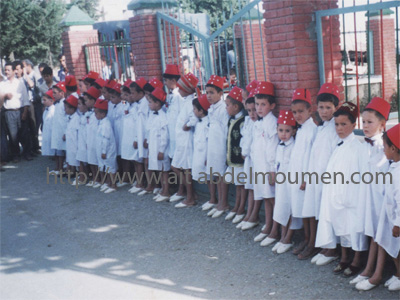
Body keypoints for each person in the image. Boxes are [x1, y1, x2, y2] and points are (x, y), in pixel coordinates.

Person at [316, 102, 368, 276]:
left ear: (354, 125)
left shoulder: (359, 147)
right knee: (341, 227)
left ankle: (356, 259)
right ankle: (344, 257)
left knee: (353, 227)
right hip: (337, 194)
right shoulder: (338, 145)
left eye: (344, 124)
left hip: (351, 196)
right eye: (337, 124)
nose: (339, 128)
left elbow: (360, 174)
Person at [349, 97, 390, 284]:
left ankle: (377, 273)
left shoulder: (384, 147)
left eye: (369, 122)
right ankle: (368, 268)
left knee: (380, 235)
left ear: (382, 124)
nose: (364, 126)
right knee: (372, 233)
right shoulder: (365, 144)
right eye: (363, 122)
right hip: (369, 196)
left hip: (381, 198)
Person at [356, 124, 400, 291]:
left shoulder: (398, 173)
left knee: (396, 247)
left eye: (385, 147)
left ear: (394, 149)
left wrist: (398, 223)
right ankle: (398, 274)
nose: (383, 150)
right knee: (389, 245)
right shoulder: (394, 166)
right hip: (389, 215)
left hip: (396, 219)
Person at [302, 83, 340, 266]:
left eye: (328, 108)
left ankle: (331, 249)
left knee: (327, 213)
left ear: (335, 108)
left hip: (326, 177)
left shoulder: (335, 128)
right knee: (318, 210)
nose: (324, 111)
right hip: (315, 175)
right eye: (321, 107)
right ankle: (322, 245)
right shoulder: (321, 127)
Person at [241, 81, 278, 232]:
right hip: (259, 166)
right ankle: (268, 226)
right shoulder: (258, 122)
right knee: (265, 197)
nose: (259, 108)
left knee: (272, 198)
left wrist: (271, 170)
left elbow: (272, 149)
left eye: (263, 104)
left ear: (272, 106)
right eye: (257, 104)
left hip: (268, 168)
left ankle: (276, 230)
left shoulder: (272, 123)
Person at [287, 88, 317, 259]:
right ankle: (306, 238)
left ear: (309, 110)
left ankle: (312, 242)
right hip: (297, 177)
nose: (297, 115)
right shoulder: (301, 129)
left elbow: (311, 157)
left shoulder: (312, 129)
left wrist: (306, 178)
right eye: (294, 112)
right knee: (301, 210)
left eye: (300, 111)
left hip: (306, 178)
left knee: (309, 211)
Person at [266, 110, 297, 254]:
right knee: (281, 208)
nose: (283, 134)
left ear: (293, 131)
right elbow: (276, 163)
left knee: (289, 209)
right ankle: (283, 236)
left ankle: (288, 238)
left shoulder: (293, 146)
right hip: (280, 182)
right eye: (280, 130)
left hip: (290, 182)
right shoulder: (279, 145)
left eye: (287, 131)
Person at [170, 73, 199, 207]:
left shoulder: (190, 103)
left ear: (186, 90)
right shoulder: (186, 101)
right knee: (180, 168)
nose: (179, 91)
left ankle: (190, 197)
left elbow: (194, 118)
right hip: (181, 140)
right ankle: (190, 194)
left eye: (181, 89)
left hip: (186, 141)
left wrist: (187, 125)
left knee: (182, 168)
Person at [204, 75, 230, 217]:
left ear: (221, 94)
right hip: (212, 146)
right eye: (207, 93)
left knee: (221, 175)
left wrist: (226, 149)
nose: (209, 96)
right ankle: (219, 201)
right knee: (215, 174)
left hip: (220, 146)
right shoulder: (211, 109)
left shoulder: (223, 109)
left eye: (212, 93)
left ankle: (223, 203)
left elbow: (225, 130)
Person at [222, 87, 246, 220]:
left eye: (227, 105)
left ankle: (241, 208)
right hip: (232, 159)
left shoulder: (242, 122)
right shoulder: (231, 119)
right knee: (237, 184)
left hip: (239, 160)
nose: (226, 108)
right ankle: (236, 206)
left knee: (241, 185)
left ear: (236, 107)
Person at [235, 86, 258, 226]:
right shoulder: (248, 120)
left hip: (256, 159)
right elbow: (244, 138)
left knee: (256, 188)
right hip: (248, 158)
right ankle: (249, 214)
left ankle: (254, 215)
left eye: (245, 98)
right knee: (249, 186)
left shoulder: (259, 122)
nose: (243, 102)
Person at [144, 87, 170, 202]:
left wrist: (162, 150)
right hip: (153, 146)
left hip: (160, 147)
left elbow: (164, 135)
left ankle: (166, 191)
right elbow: (150, 132)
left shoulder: (162, 117)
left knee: (164, 170)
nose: (149, 104)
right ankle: (162, 189)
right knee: (158, 169)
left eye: (150, 102)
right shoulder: (152, 115)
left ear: (158, 103)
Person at [0, 62, 29, 162]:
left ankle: (27, 153)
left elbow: (25, 99)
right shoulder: (2, 84)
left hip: (20, 110)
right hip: (9, 112)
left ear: (13, 71)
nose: (6, 72)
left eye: (8, 70)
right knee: (13, 135)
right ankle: (15, 154)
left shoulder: (19, 83)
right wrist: (4, 96)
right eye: (5, 70)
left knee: (24, 133)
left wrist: (25, 112)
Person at [127, 78, 148, 193]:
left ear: (141, 93)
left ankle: (145, 184)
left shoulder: (145, 104)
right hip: (137, 135)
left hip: (143, 136)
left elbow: (145, 123)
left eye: (133, 93)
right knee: (138, 160)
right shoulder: (137, 104)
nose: (131, 95)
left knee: (143, 161)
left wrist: (141, 138)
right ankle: (141, 182)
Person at [94, 98, 118, 194]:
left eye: (96, 113)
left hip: (108, 150)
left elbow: (106, 139)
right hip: (103, 150)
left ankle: (113, 185)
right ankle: (108, 183)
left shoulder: (106, 125)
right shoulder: (102, 123)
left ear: (103, 114)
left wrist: (104, 151)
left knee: (110, 167)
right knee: (106, 167)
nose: (95, 115)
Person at [83, 86, 102, 187]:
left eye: (86, 100)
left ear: (93, 100)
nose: (85, 103)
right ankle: (95, 177)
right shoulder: (88, 113)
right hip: (89, 139)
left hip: (96, 139)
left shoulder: (97, 113)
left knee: (97, 159)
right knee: (91, 159)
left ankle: (99, 178)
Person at [163, 64, 181, 162]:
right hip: (170, 132)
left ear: (173, 81)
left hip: (177, 133)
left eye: (166, 80)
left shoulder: (179, 96)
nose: (165, 83)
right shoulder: (170, 95)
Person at [51, 82, 67, 173]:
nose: (53, 95)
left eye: (55, 93)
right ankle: (57, 167)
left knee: (61, 150)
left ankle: (61, 168)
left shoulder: (64, 104)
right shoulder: (57, 104)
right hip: (57, 130)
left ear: (62, 93)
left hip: (62, 131)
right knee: (57, 149)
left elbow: (65, 119)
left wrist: (65, 132)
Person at [64, 93, 80, 174]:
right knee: (69, 154)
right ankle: (69, 168)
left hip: (74, 141)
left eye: (66, 108)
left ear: (72, 109)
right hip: (69, 140)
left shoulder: (76, 118)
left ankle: (74, 170)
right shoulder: (69, 117)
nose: (65, 110)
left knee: (74, 155)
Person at [75, 95, 89, 185]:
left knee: (86, 158)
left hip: (85, 139)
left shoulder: (88, 116)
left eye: (80, 104)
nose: (78, 106)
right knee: (80, 157)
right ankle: (82, 176)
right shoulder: (81, 115)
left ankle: (85, 176)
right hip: (80, 139)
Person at [41, 90, 56, 157]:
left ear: (51, 101)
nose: (43, 102)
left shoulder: (53, 110)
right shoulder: (46, 110)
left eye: (45, 100)